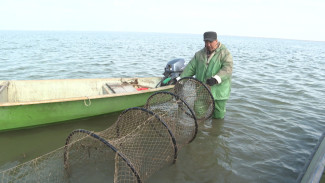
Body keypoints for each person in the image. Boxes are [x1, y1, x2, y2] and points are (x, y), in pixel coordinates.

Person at [179, 31, 233, 119]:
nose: (208, 44)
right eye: (206, 42)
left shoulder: (225, 53)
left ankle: (216, 131)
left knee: (218, 116)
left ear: (216, 41)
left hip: (219, 91)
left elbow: (227, 69)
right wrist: (180, 80)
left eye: (210, 42)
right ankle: (201, 130)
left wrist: (216, 78)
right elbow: (190, 68)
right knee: (198, 112)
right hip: (202, 90)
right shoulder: (199, 54)